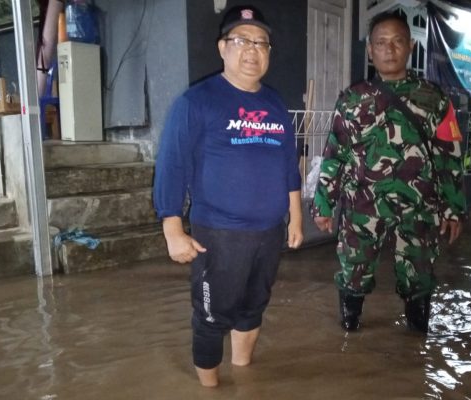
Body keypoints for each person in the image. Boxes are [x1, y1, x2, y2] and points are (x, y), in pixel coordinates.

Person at [153, 5, 303, 387]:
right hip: (218, 234)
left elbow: (289, 166)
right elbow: (172, 165)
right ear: (222, 48)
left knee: (254, 308)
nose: (252, 50)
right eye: (241, 41)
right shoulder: (196, 102)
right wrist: (173, 228)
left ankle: (244, 379)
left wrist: (296, 218)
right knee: (210, 315)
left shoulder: (274, 105)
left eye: (261, 43)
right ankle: (209, 389)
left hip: (269, 232)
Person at [311, 11, 466, 334]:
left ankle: (416, 341)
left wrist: (453, 209)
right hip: (362, 207)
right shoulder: (352, 100)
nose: (389, 49)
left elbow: (450, 157)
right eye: (381, 43)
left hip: (419, 207)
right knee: (354, 272)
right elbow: (334, 154)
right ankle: (350, 332)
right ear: (370, 50)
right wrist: (324, 204)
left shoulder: (434, 98)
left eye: (397, 42)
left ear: (410, 46)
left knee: (419, 275)